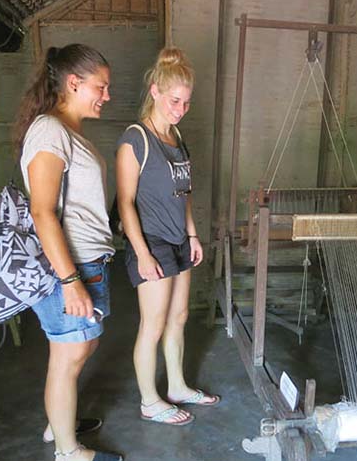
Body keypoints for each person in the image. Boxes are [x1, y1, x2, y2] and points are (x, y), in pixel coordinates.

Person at [14, 44, 122, 461]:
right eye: (101, 86)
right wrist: (70, 280)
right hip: (71, 266)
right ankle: (67, 450)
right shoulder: (50, 131)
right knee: (69, 354)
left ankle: (57, 421)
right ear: (74, 83)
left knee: (82, 346)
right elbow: (42, 212)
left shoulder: (67, 131)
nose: (107, 96)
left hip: (88, 261)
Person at [116, 47, 220, 426]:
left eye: (186, 102)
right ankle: (149, 401)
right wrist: (142, 253)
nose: (181, 109)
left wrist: (192, 236)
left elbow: (183, 193)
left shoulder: (176, 137)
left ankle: (176, 386)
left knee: (179, 316)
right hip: (151, 241)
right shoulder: (136, 139)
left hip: (178, 240)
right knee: (154, 323)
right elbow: (125, 202)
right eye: (175, 100)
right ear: (155, 91)